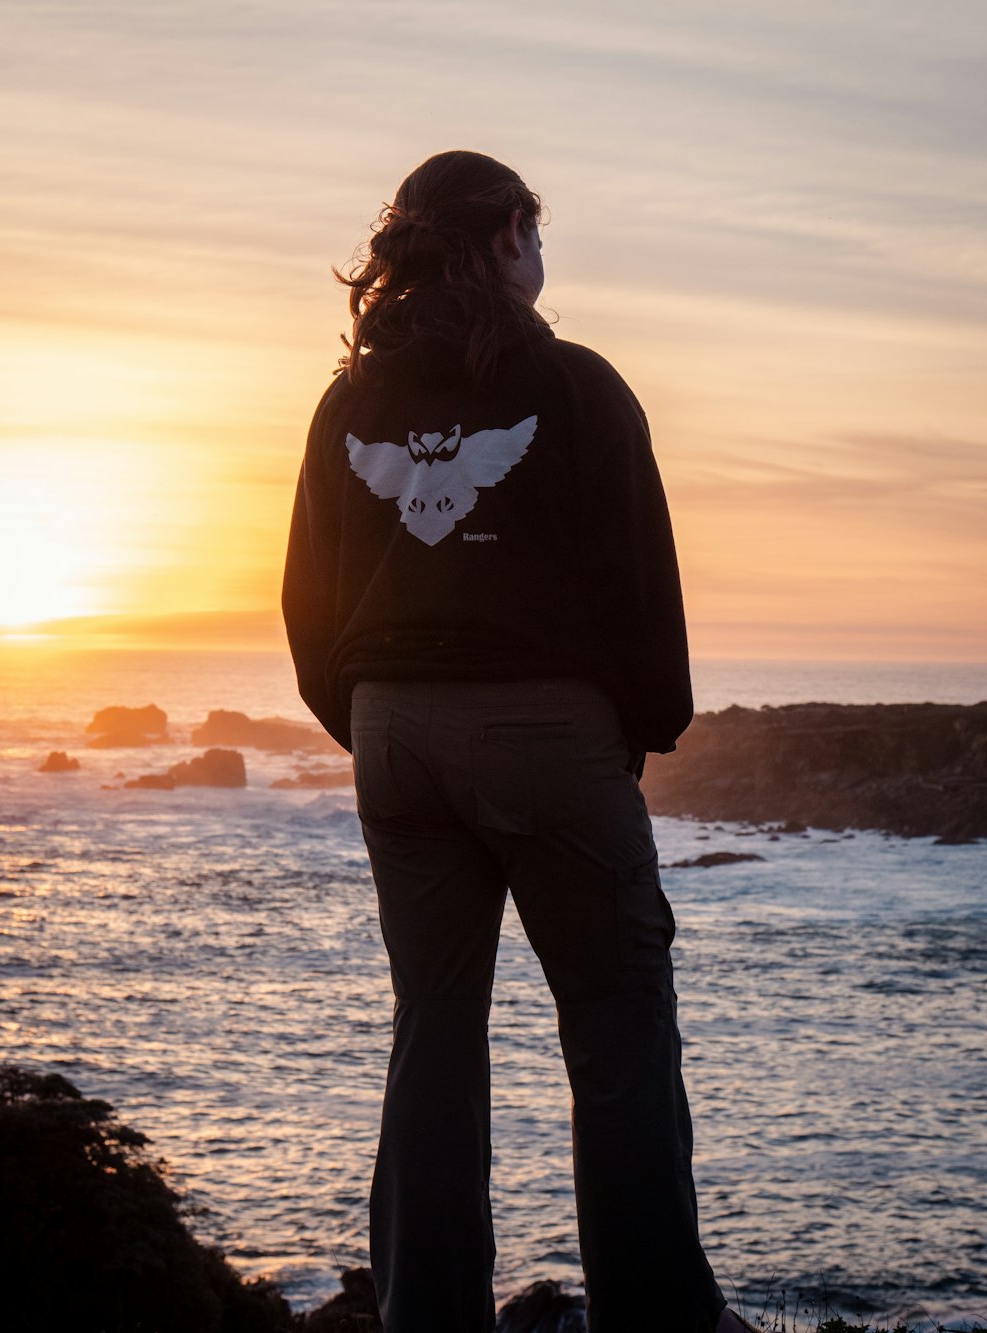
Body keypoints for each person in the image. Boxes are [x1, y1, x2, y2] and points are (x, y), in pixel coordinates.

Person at [283, 150, 737, 1333]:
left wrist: (372, 718)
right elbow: (639, 584)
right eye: (531, 234)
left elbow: (308, 600)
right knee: (617, 1020)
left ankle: (425, 1318)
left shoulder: (349, 404)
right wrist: (631, 733)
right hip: (543, 728)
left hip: (392, 733)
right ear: (498, 243)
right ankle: (655, 1317)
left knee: (433, 1029)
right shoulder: (578, 388)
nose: (540, 257)